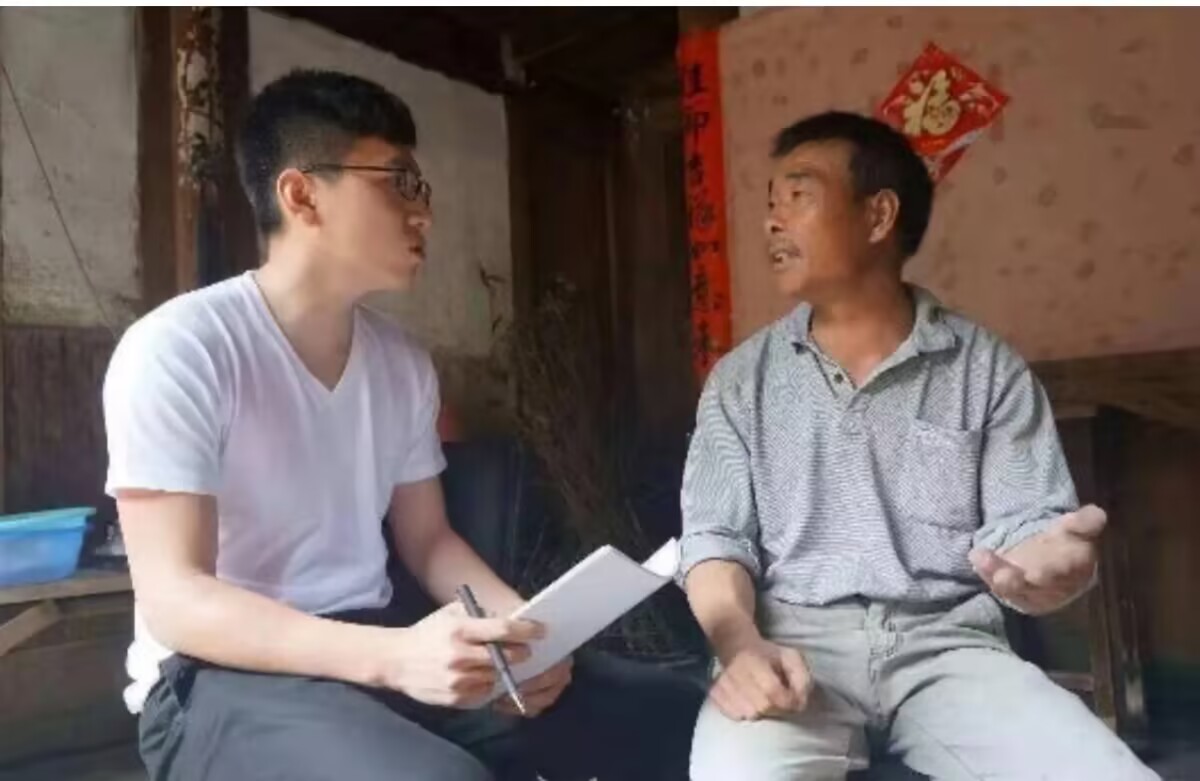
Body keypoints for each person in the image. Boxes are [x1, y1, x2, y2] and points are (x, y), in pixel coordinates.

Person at [103, 68, 700, 781]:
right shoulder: (181, 349)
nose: (423, 214)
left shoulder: (402, 364)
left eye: (422, 189)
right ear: (302, 195)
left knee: (666, 712)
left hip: (375, 645)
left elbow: (429, 540)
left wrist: (527, 635)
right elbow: (175, 599)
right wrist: (391, 657)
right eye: (399, 183)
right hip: (218, 677)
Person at [680, 111, 1158, 780]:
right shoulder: (740, 380)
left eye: (798, 195)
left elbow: (1026, 529)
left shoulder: (985, 367)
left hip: (950, 649)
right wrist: (739, 645)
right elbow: (714, 539)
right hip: (791, 649)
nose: (771, 221)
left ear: (878, 215)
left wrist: (1050, 565)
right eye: (770, 202)